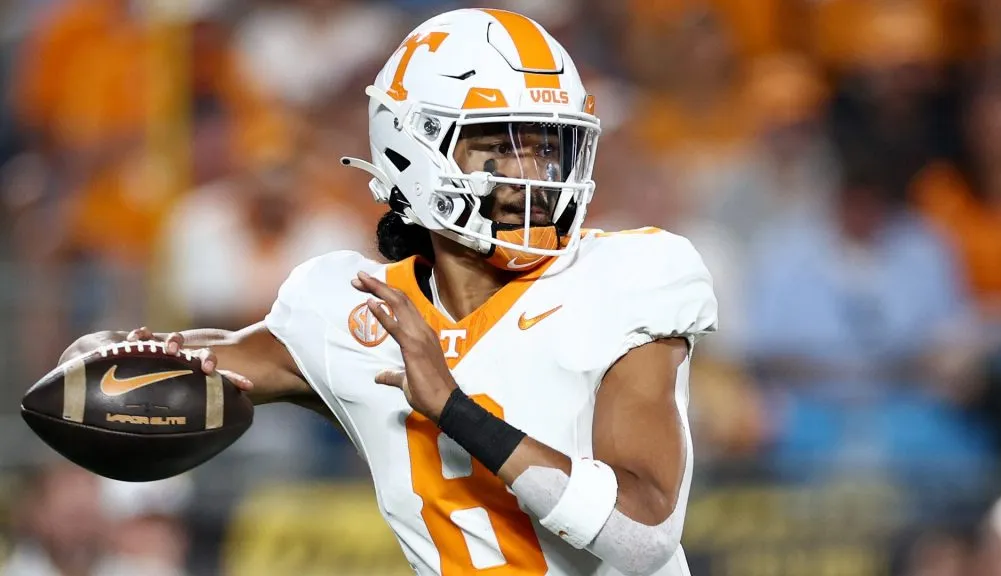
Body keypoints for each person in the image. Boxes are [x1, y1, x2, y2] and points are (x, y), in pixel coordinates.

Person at [59, 9, 718, 576]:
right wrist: (103, 353)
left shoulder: (628, 276)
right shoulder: (347, 308)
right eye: (501, 147)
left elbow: (644, 534)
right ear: (414, 150)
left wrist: (454, 410)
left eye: (551, 148)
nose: (537, 175)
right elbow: (189, 363)